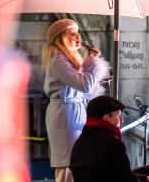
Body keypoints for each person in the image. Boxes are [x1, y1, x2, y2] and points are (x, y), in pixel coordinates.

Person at [41, 19, 109, 182]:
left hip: (74, 111)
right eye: (72, 33)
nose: (78, 36)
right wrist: (92, 59)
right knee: (68, 164)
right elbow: (85, 85)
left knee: (77, 161)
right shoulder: (57, 59)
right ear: (61, 37)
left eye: (77, 32)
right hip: (65, 114)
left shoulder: (66, 58)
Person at [70, 95, 149, 182]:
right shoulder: (113, 143)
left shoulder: (81, 141)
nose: (121, 119)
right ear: (107, 118)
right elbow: (125, 179)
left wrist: (146, 178)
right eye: (118, 115)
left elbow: (112, 174)